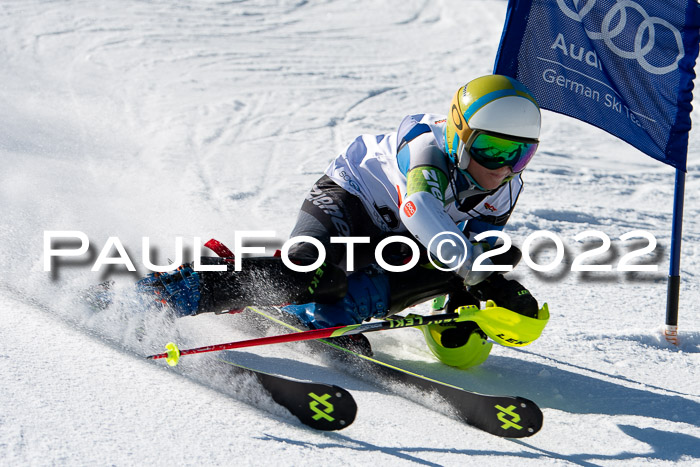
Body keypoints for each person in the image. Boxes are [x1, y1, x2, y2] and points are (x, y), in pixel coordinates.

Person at [137, 74, 543, 368]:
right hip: (350, 201)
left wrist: (476, 300)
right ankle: (175, 289)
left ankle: (328, 315)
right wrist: (479, 277)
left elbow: (473, 251)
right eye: (490, 149)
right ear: (458, 134)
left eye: (520, 155)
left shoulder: (507, 185)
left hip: (401, 239)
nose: (504, 167)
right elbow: (420, 207)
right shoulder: (426, 147)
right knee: (314, 274)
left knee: (485, 274)